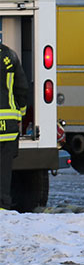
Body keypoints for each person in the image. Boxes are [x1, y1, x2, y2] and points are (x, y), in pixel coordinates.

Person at [1, 41, 29, 211]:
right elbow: (22, 89)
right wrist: (21, 114)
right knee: (4, 170)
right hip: (8, 127)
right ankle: (2, 207)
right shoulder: (10, 56)